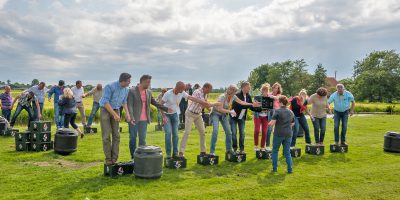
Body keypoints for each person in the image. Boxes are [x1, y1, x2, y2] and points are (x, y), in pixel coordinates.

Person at [160, 81, 209, 158]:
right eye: (182, 89)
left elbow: (191, 97)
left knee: (175, 135)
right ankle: (168, 154)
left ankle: (175, 153)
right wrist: (164, 116)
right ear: (177, 88)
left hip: (175, 115)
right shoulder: (168, 94)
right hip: (167, 115)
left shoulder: (182, 92)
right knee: (168, 133)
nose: (184, 90)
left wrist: (202, 102)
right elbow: (160, 105)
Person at [127, 75, 169, 160]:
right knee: (132, 138)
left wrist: (166, 108)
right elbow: (129, 105)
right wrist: (131, 116)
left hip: (144, 119)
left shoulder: (148, 92)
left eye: (150, 82)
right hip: (134, 119)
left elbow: (155, 103)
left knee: (142, 139)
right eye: (148, 82)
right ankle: (133, 157)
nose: (149, 84)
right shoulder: (132, 91)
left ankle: (140, 156)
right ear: (142, 81)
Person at [210, 84, 260, 156]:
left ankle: (229, 150)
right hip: (216, 114)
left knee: (229, 132)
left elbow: (242, 102)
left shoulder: (233, 96)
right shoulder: (222, 97)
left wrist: (252, 104)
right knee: (215, 131)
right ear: (230, 90)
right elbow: (220, 109)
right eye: (233, 91)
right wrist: (230, 111)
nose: (234, 93)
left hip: (224, 115)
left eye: (235, 92)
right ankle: (212, 152)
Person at [178, 83, 221, 157]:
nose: (210, 91)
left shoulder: (205, 94)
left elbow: (206, 104)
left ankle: (203, 152)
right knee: (187, 132)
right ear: (205, 88)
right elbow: (203, 102)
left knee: (202, 132)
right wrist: (215, 104)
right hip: (190, 114)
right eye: (210, 90)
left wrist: (211, 110)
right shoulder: (197, 92)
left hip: (198, 115)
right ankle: (181, 152)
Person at [100, 73, 132, 165]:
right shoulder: (109, 87)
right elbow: (105, 102)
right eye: (128, 81)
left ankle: (114, 158)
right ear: (123, 80)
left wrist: (127, 114)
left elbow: (124, 102)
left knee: (117, 135)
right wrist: (114, 114)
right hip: (105, 109)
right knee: (106, 135)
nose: (129, 83)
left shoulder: (126, 90)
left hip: (116, 109)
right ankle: (108, 158)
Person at [268, 95, 295, 174]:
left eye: (278, 102)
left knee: (275, 151)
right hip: (288, 134)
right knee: (287, 152)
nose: (277, 103)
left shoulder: (277, 111)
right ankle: (290, 169)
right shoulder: (291, 112)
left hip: (279, 134)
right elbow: (293, 123)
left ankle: (274, 168)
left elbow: (272, 123)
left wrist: (267, 123)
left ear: (280, 103)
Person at [230, 81, 258, 153]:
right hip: (234, 116)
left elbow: (251, 107)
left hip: (242, 116)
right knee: (233, 132)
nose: (248, 89)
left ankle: (242, 149)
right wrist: (252, 104)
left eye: (249, 88)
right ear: (243, 88)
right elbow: (241, 105)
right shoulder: (237, 95)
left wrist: (258, 108)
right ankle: (235, 148)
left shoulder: (248, 96)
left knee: (242, 133)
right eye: (247, 88)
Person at [253, 83, 275, 151]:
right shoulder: (257, 97)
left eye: (266, 90)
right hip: (258, 116)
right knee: (257, 130)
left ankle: (262, 147)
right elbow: (254, 105)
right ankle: (256, 145)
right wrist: (261, 104)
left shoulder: (270, 98)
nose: (265, 92)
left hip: (266, 117)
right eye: (264, 90)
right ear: (261, 90)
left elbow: (272, 108)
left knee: (265, 132)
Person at [265, 82, 283, 150]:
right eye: (274, 87)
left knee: (277, 130)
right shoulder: (269, 94)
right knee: (269, 129)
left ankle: (276, 145)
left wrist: (271, 96)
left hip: (277, 113)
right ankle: (267, 145)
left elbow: (276, 98)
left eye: (276, 88)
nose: (274, 89)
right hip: (270, 112)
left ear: (278, 89)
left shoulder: (279, 95)